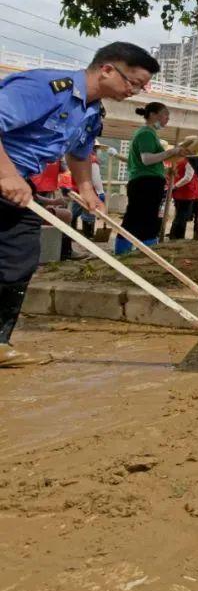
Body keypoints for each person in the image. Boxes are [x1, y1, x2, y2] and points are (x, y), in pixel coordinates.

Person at [0, 41, 159, 366]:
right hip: (5, 174)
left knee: (19, 256)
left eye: (141, 87)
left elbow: (80, 152)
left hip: (15, 183)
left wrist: (87, 190)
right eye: (133, 83)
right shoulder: (46, 88)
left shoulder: (91, 111)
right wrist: (7, 175)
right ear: (107, 69)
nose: (134, 92)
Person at [116, 102, 187, 254]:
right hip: (145, 183)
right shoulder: (146, 133)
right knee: (139, 218)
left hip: (148, 180)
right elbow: (146, 159)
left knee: (144, 217)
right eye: (165, 115)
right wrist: (171, 152)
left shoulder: (150, 134)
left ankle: (141, 250)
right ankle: (134, 251)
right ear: (153, 115)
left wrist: (166, 170)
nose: (167, 119)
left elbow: (150, 163)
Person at [167, 152, 198, 240]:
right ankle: (178, 237)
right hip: (189, 192)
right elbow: (188, 177)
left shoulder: (177, 161)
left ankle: (174, 236)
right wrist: (175, 186)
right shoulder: (189, 161)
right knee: (183, 217)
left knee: (180, 215)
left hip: (181, 192)